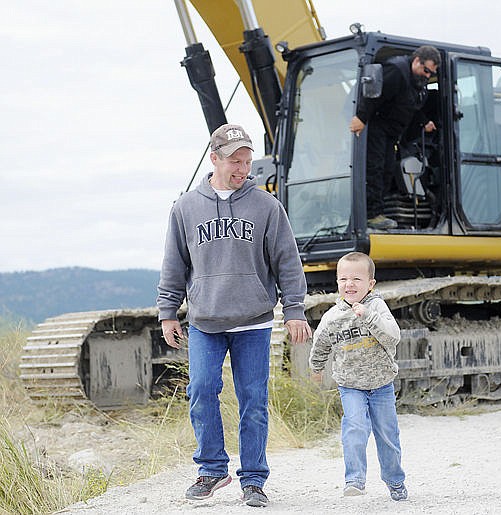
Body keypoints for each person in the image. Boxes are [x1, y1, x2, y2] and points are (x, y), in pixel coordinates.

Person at [157, 123, 312, 508]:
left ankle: (254, 480)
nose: (243, 168)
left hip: (254, 320)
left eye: (247, 160)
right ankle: (212, 470)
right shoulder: (185, 208)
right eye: (235, 161)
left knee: (253, 400)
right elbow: (174, 265)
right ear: (214, 159)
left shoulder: (267, 207)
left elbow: (288, 263)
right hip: (206, 322)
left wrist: (294, 309)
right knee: (201, 391)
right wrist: (167, 312)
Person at [308, 252, 407, 501]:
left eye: (356, 279)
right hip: (350, 386)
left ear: (370, 284)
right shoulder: (332, 317)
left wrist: (368, 317)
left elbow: (393, 336)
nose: (349, 284)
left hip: (381, 385)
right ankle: (354, 480)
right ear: (337, 282)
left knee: (388, 435)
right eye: (343, 279)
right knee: (354, 428)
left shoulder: (376, 307)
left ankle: (395, 481)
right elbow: (320, 344)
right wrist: (316, 368)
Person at [349, 45, 441, 230]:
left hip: (391, 133)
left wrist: (424, 122)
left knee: (387, 170)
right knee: (375, 168)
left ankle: (378, 212)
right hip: (377, 127)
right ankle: (371, 214)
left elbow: (409, 106)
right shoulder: (397, 71)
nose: (427, 76)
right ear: (416, 61)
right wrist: (361, 117)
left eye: (431, 73)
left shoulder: (415, 83)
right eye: (426, 70)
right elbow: (373, 96)